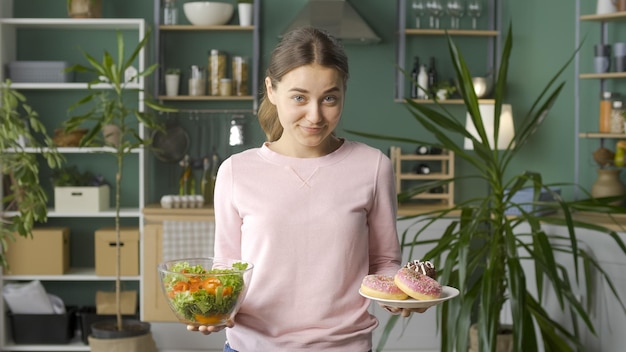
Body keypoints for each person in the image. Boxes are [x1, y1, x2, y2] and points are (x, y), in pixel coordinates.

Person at [188, 26, 424, 351]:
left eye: (329, 98)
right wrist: (212, 310)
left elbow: (384, 260)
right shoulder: (235, 172)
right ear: (272, 90)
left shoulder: (373, 167)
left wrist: (398, 295)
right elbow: (228, 268)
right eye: (299, 97)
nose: (315, 115)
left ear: (343, 93)